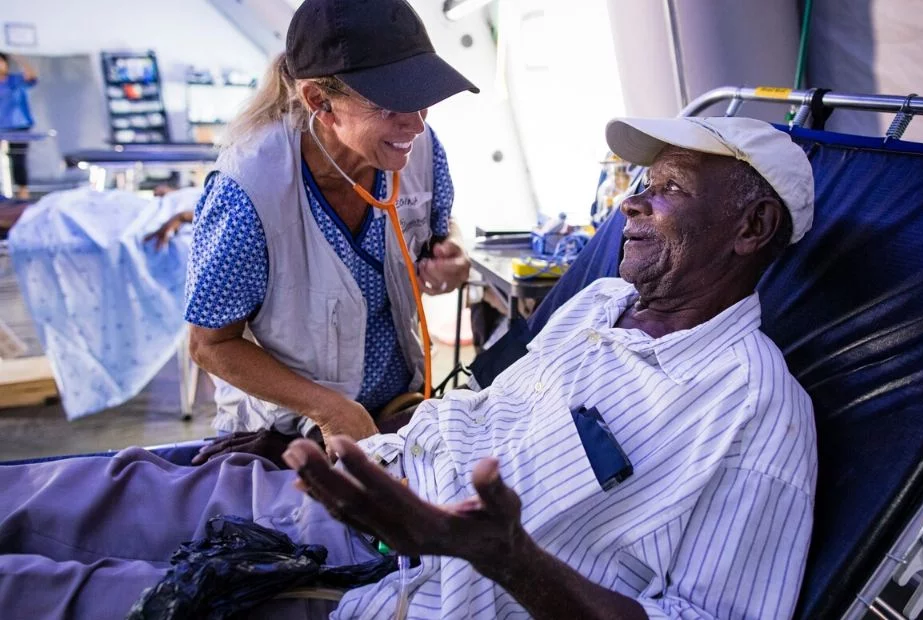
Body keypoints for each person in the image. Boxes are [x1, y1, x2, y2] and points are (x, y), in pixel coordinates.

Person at [0, 116, 817, 620]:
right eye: (638, 183)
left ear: (751, 228)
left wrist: (503, 555)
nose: (630, 204)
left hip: (386, 584)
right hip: (349, 479)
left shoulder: (752, 416)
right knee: (70, 496)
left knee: (45, 596)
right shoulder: (599, 303)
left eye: (667, 188)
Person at [184, 0, 477, 465]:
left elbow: (440, 227)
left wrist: (453, 253)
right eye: (391, 105)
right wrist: (327, 408)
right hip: (287, 435)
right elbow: (210, 344)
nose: (416, 124)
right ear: (320, 101)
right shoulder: (250, 192)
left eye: (423, 98)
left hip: (393, 413)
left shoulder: (418, 150)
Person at [0, 52, 38, 201]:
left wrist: (18, 56)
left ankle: (22, 191)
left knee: (18, 160)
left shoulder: (15, 80)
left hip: (18, 126)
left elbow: (31, 77)